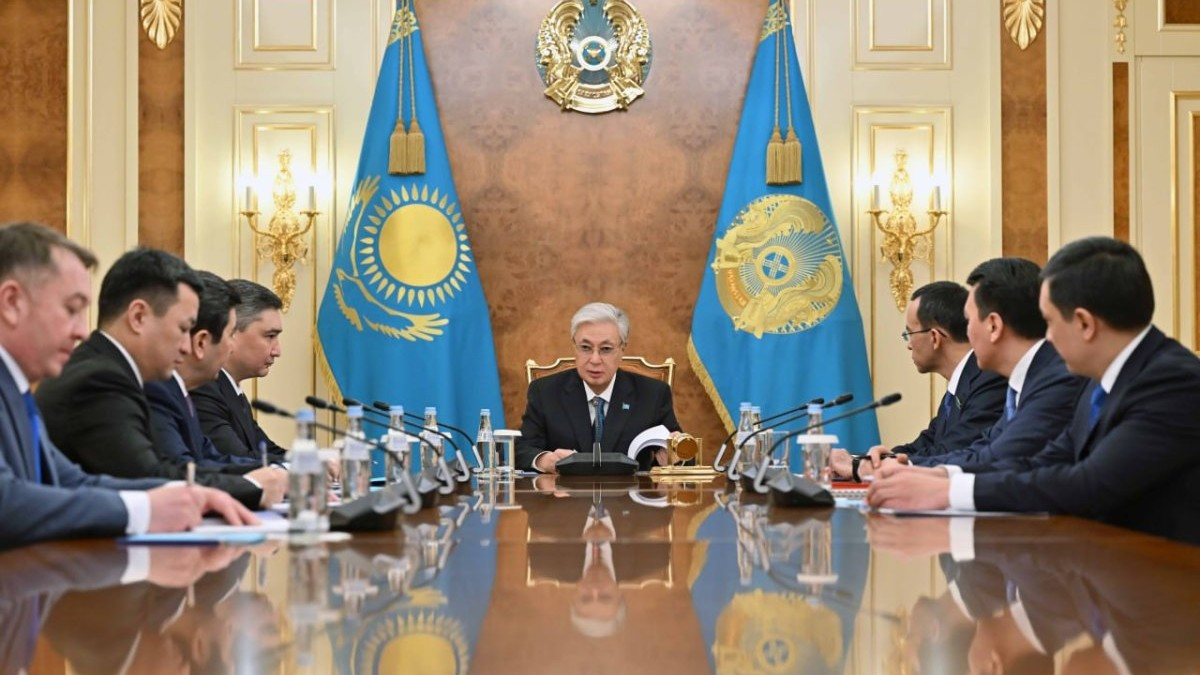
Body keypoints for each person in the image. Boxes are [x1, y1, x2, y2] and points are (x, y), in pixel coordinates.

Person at [868, 237, 1200, 545]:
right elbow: (1040, 461)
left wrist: (948, 492)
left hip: (1167, 576)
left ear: (1084, 323)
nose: (1047, 339)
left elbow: (1089, 485)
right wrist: (938, 476)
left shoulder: (1172, 381)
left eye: (1050, 323)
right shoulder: (1100, 383)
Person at [0, 222, 255, 548]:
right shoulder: (93, 379)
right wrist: (143, 510)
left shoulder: (16, 389)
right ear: (12, 302)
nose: (81, 331)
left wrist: (188, 495)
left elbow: (72, 482)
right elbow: (6, 502)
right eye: (71, 309)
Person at [35, 247, 287, 510]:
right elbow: (150, 477)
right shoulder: (101, 380)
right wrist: (253, 487)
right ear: (138, 317)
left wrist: (268, 478)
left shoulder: (115, 371)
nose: (188, 346)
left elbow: (190, 464)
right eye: (183, 328)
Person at [849, 258, 1086, 479]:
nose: (967, 333)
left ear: (993, 325)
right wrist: (893, 464)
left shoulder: (1054, 379)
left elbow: (1000, 458)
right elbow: (984, 449)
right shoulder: (1028, 379)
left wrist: (900, 469)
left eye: (969, 321)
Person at [831, 281, 1005, 477]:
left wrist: (864, 468)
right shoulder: (963, 384)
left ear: (934, 337)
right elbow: (926, 445)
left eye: (909, 334)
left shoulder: (990, 381)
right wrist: (860, 461)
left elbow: (954, 451)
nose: (909, 345)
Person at [515, 302, 681, 473]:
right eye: (585, 348)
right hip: (563, 490)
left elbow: (684, 456)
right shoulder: (545, 392)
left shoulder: (653, 394)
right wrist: (543, 460)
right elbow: (521, 449)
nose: (595, 360)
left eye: (606, 349)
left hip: (632, 490)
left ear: (622, 349)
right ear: (574, 346)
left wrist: (673, 456)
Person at [146, 271, 261, 470]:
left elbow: (211, 458)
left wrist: (273, 473)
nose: (232, 347)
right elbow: (183, 471)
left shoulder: (180, 390)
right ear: (201, 342)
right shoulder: (159, 392)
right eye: (231, 334)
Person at [193, 279, 288, 464]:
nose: (277, 351)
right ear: (232, 332)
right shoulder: (204, 388)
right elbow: (237, 459)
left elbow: (266, 450)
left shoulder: (232, 389)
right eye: (270, 336)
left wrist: (317, 461)